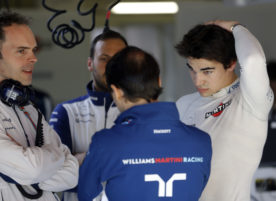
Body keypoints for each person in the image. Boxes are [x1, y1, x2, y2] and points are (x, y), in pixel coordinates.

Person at [77, 46, 212, 201]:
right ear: (159, 82)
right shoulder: (202, 141)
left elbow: (85, 195)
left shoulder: (105, 142)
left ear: (117, 91)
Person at [175, 20, 274, 201]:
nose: (198, 81)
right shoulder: (183, 104)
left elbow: (253, 59)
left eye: (207, 71)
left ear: (231, 64)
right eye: (192, 70)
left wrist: (235, 27)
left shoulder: (249, 100)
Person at [0, 10, 78, 200]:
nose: (33, 58)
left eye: (33, 50)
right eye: (21, 51)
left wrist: (35, 169)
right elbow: (34, 169)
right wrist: (54, 159)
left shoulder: (26, 106)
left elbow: (71, 175)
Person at [49, 30, 127, 201]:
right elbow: (54, 174)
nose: (112, 66)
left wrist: (81, 160)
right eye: (104, 58)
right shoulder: (66, 112)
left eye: (119, 59)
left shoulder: (140, 112)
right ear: (90, 63)